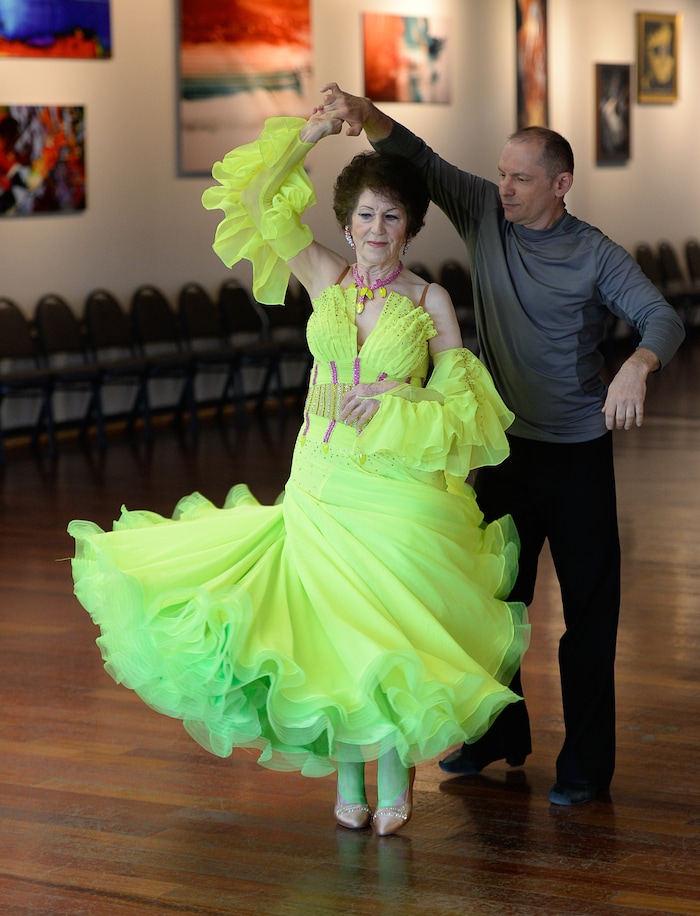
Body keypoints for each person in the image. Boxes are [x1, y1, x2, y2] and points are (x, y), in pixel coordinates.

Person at [68, 110, 530, 836]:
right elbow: (253, 200)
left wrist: (398, 392)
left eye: (394, 217)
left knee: (388, 631)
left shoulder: (428, 299)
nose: (378, 229)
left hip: (396, 490)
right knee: (326, 630)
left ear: (411, 228)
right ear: (348, 223)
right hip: (319, 478)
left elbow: (462, 400)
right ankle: (350, 778)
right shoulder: (324, 274)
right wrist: (309, 138)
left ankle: (396, 774)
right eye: (367, 215)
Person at [315, 82, 686, 806]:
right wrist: (363, 114)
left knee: (587, 616)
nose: (504, 186)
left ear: (560, 184)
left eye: (520, 177)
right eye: (502, 172)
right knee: (492, 608)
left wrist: (638, 367)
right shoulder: (484, 212)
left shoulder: (595, 253)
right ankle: (496, 735)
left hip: (577, 454)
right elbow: (413, 155)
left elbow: (660, 317)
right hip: (504, 452)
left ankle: (584, 765)